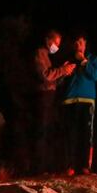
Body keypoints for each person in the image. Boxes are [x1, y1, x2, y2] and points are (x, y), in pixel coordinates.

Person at [31, 30, 76, 173]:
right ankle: (38, 167)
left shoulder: (47, 56)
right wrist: (62, 70)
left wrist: (64, 72)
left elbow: (53, 79)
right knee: (42, 130)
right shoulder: (40, 53)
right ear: (47, 40)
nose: (56, 47)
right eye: (55, 43)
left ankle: (46, 166)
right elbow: (45, 76)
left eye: (58, 45)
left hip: (50, 95)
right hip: (43, 96)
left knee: (48, 130)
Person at [61, 33, 97, 175]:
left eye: (80, 42)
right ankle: (69, 166)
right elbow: (59, 81)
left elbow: (96, 76)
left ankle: (85, 166)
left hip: (87, 100)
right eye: (75, 43)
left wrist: (84, 61)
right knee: (70, 134)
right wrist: (63, 73)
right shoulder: (67, 60)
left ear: (85, 44)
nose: (78, 45)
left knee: (86, 134)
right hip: (70, 100)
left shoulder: (93, 59)